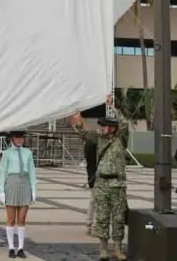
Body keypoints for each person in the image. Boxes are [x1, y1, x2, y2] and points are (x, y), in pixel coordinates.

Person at [70, 98, 129, 261]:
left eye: (108, 126)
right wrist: (79, 123)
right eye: (103, 125)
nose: (105, 128)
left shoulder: (121, 140)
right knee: (102, 218)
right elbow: (84, 134)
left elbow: (124, 124)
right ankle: (103, 249)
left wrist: (113, 107)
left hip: (118, 184)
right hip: (102, 183)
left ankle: (117, 248)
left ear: (114, 128)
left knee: (118, 218)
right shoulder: (97, 138)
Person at [0, 131, 37, 259]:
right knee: (11, 219)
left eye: (21, 137)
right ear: (12, 138)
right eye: (17, 137)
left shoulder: (28, 153)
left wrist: (34, 189)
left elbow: (32, 171)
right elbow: (2, 172)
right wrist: (1, 191)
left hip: (25, 183)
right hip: (11, 183)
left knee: (22, 219)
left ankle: (20, 248)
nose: (19, 140)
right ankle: (11, 247)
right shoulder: (7, 153)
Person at [84, 138, 97, 236]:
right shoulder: (96, 146)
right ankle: (95, 227)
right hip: (97, 176)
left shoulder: (88, 145)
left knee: (93, 200)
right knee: (98, 202)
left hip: (91, 175)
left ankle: (89, 224)